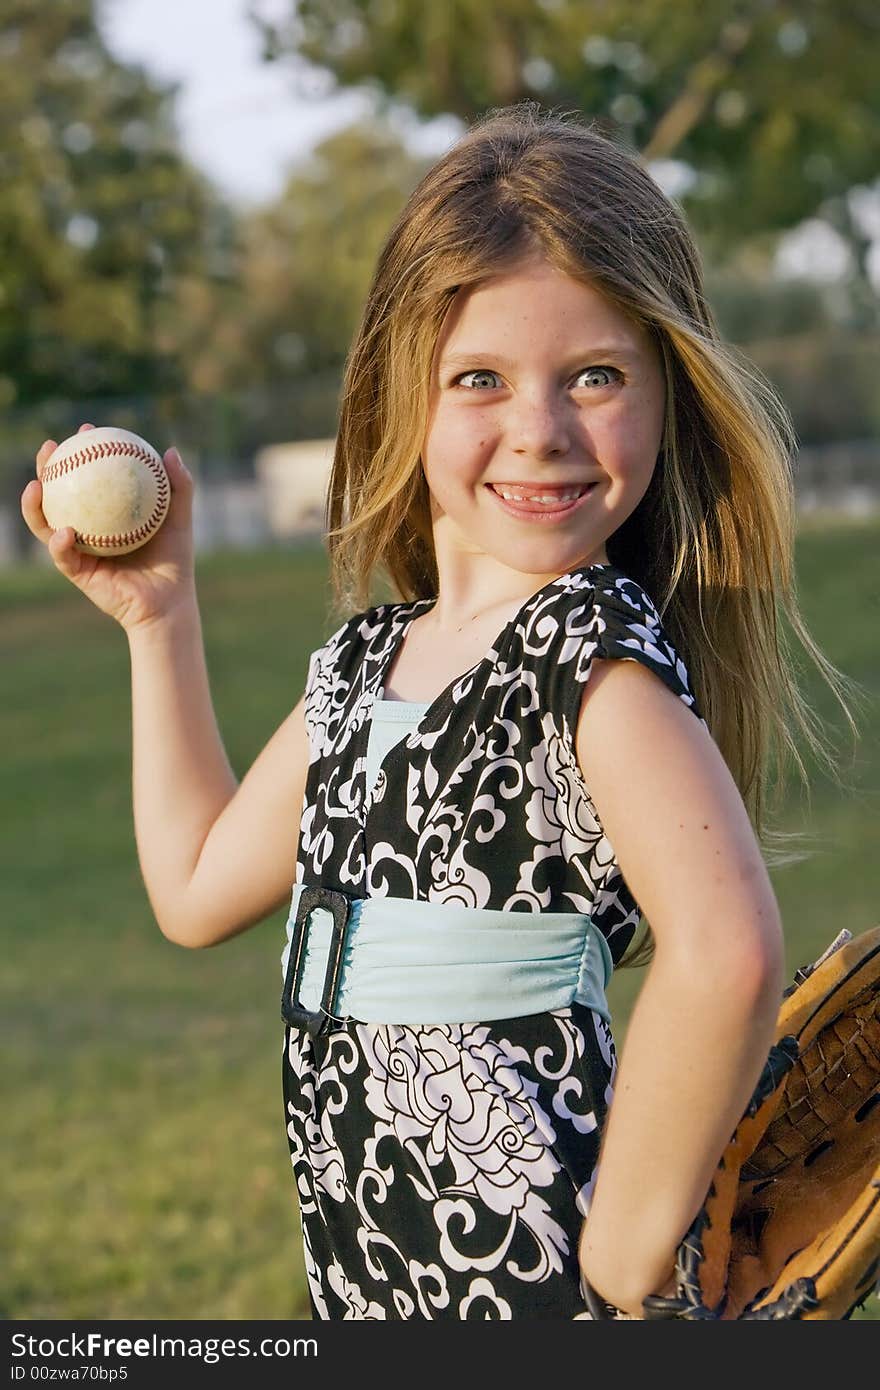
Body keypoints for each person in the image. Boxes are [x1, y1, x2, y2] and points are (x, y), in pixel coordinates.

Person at [21, 102, 862, 1321]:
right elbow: (196, 889)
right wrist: (160, 620)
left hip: (518, 1269)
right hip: (370, 1255)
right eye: (478, 377)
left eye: (596, 376)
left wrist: (623, 1256)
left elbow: (727, 954)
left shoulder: (589, 662)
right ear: (400, 394)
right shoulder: (366, 663)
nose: (541, 429)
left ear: (663, 394)